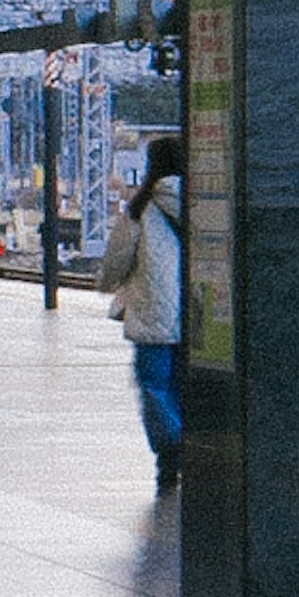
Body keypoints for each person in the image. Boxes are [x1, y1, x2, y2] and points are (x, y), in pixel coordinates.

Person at [100, 137, 186, 484]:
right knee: (185, 384)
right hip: (201, 314)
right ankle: (191, 445)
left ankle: (171, 447)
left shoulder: (140, 209)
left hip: (155, 313)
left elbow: (115, 262)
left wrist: (107, 284)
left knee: (153, 383)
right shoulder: (207, 202)